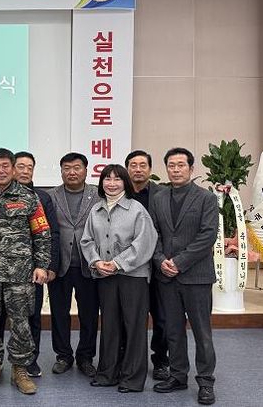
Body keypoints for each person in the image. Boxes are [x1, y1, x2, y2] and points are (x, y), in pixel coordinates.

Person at [0, 148, 52, 395]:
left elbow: (42, 233)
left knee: (21, 323)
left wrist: (41, 265)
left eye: (6, 166)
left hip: (21, 274)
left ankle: (20, 369)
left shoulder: (29, 198)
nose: (1, 170)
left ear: (14, 168)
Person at [150, 148, 218, 406]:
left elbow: (207, 235)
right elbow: (153, 233)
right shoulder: (158, 198)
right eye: (171, 165)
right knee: (173, 330)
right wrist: (160, 260)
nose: (176, 169)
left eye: (181, 165)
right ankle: (178, 376)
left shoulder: (206, 198)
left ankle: (206, 382)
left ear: (191, 168)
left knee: (202, 333)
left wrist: (178, 262)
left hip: (197, 276)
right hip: (167, 276)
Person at [80, 164, 157, 393]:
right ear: (101, 182)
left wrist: (117, 263)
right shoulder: (96, 210)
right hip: (105, 275)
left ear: (125, 183)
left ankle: (132, 379)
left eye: (117, 179)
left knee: (134, 327)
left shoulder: (137, 209)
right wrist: (96, 262)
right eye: (107, 179)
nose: (111, 183)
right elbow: (87, 240)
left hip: (133, 275)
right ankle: (107, 373)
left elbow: (144, 243)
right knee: (110, 325)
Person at [0, 151, 61, 378]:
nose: (25, 171)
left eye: (29, 167)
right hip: (0, 271)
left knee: (31, 317)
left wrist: (49, 266)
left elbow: (51, 233)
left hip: (32, 270)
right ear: (12, 169)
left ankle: (30, 361)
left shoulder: (41, 198)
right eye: (20, 166)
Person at [47, 152, 100, 378]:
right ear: (61, 171)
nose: (72, 172)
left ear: (86, 170)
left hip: (90, 264)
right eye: (67, 168)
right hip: (60, 265)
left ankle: (86, 357)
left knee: (89, 314)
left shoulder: (98, 194)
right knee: (59, 313)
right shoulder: (51, 196)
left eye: (77, 167)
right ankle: (63, 356)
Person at [125, 150, 169, 380]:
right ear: (127, 169)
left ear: (150, 169)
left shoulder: (162, 194)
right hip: (130, 267)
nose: (138, 169)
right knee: (130, 317)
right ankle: (128, 360)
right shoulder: (120, 193)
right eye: (133, 165)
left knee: (162, 318)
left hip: (157, 265)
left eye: (143, 165)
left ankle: (160, 360)